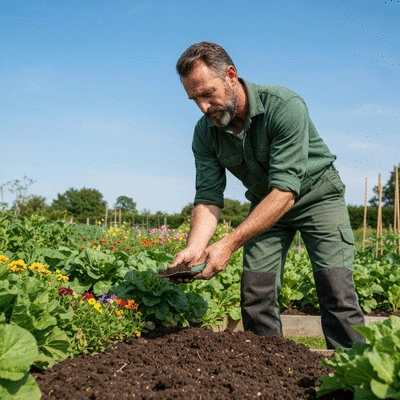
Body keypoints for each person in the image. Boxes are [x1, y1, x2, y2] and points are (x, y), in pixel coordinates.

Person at [171, 41, 365, 349]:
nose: (203, 107)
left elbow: (286, 191)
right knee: (256, 292)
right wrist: (196, 247)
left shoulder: (284, 106)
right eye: (194, 99)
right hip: (266, 206)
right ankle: (269, 370)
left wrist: (229, 243)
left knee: (336, 288)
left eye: (208, 94)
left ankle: (355, 377)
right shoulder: (205, 132)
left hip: (317, 197)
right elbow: (208, 196)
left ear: (230, 76)